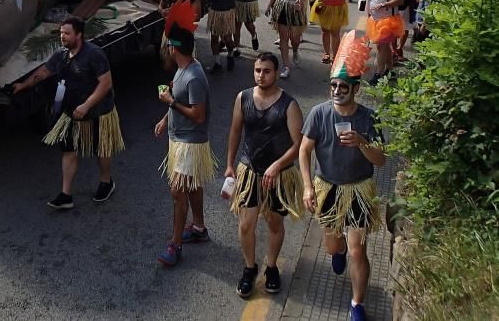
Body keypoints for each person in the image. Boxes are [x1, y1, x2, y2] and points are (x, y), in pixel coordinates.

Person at [300, 36, 387, 321]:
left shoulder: (370, 118)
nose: (337, 91)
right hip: (328, 188)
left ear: (356, 89)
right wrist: (307, 187)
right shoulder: (319, 113)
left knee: (357, 251)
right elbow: (304, 150)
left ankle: (357, 304)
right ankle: (336, 252)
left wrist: (362, 142)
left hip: (360, 189)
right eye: (334, 85)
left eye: (343, 86)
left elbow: (381, 160)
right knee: (334, 246)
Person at [13, 16, 124, 209]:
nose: (62, 36)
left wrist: (87, 105)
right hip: (70, 112)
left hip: (98, 112)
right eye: (61, 33)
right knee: (68, 150)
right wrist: (23, 85)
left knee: (102, 149)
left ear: (79, 35)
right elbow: (44, 72)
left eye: (67, 33)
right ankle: (66, 195)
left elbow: (106, 84)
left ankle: (106, 183)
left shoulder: (94, 54)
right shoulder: (61, 55)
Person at [224, 52, 304, 298]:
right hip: (249, 169)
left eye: (267, 71)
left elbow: (298, 145)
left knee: (274, 223)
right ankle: (250, 268)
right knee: (246, 224)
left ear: (276, 73)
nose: (261, 75)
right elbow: (235, 130)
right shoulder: (243, 98)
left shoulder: (289, 105)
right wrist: (230, 164)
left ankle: (271, 266)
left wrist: (278, 165)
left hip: (278, 176)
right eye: (258, 70)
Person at [154, 25, 216, 267]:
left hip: (189, 142)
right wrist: (165, 118)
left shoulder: (193, 77)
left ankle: (175, 244)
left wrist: (170, 102)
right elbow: (180, 101)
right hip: (179, 138)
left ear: (173, 49)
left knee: (177, 192)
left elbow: (198, 116)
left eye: (168, 45)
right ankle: (199, 227)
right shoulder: (185, 67)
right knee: (192, 185)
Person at [266, 0, 311, 79]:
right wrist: (269, 5)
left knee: (295, 38)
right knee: (283, 37)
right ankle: (286, 67)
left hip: (296, 7)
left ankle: (295, 50)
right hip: (282, 6)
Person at [365, 0, 405, 84]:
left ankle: (378, 74)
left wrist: (384, 5)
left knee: (381, 47)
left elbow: (400, 0)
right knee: (384, 46)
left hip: (388, 21)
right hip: (375, 20)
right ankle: (390, 71)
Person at [200, 0, 241, 73]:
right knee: (214, 39)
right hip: (214, 11)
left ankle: (230, 54)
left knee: (227, 39)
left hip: (228, 11)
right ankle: (217, 63)